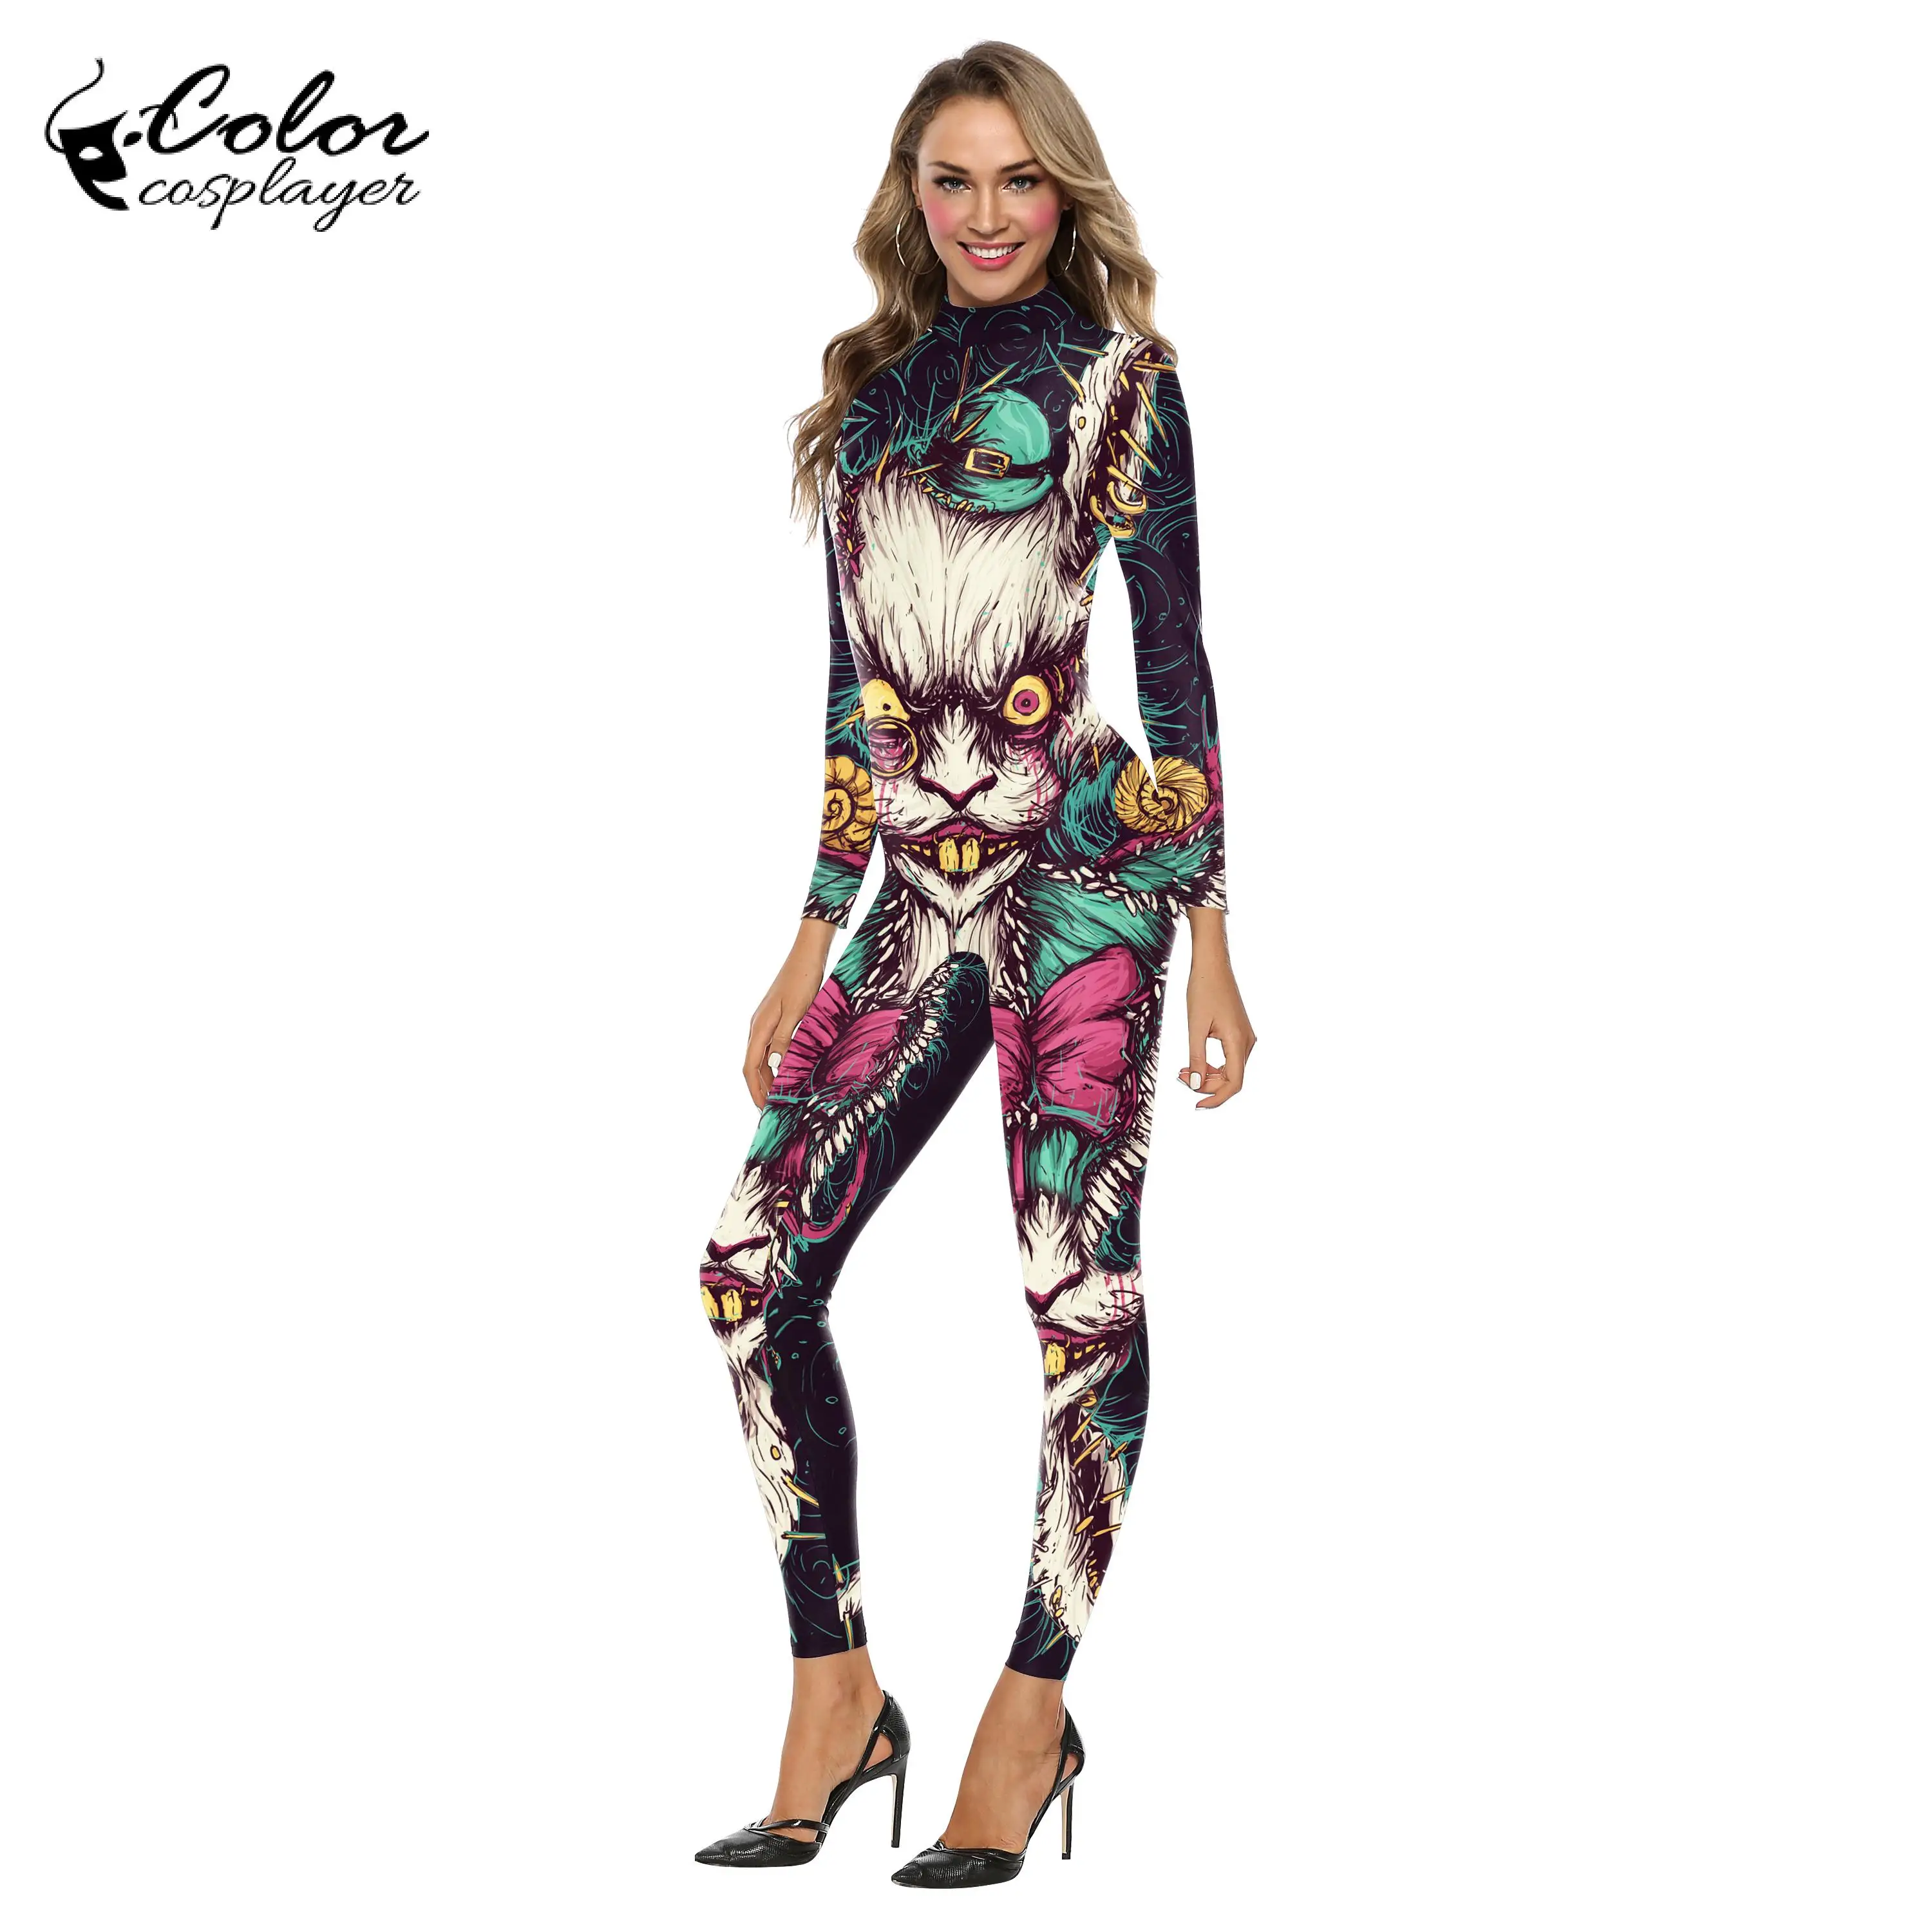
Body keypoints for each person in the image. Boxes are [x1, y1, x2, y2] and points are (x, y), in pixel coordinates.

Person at [692, 41, 1256, 1888]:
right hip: (911, 887)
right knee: (750, 1270)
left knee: (1074, 1293)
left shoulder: (1121, 383)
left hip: (1087, 874)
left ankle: (1030, 1707)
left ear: (1064, 192)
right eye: (954, 179)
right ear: (911, 198)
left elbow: (1174, 665)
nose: (988, 213)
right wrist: (810, 933)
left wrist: (1215, 932)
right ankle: (836, 1687)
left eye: (1021, 179)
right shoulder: (867, 407)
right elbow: (849, 696)